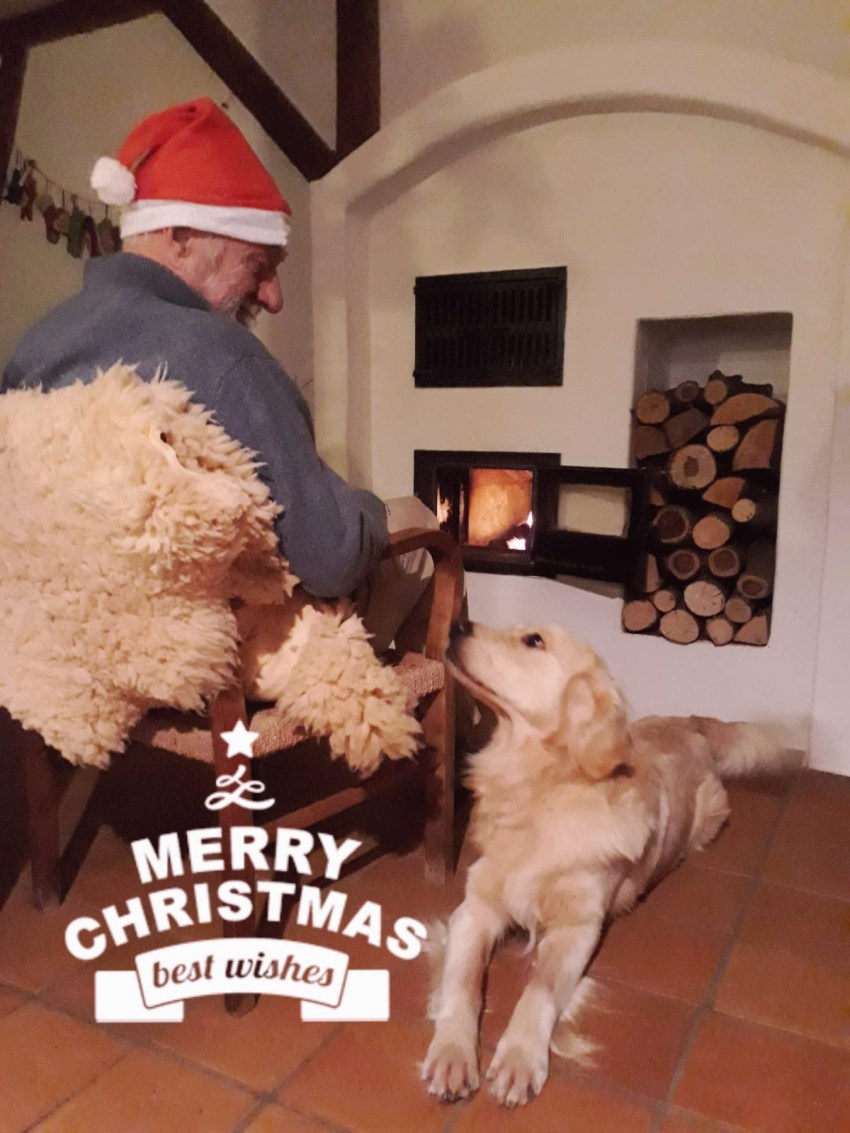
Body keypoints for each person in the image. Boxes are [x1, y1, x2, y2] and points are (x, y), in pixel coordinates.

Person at [1, 97, 390, 603]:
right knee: (414, 535)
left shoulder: (36, 345)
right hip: (200, 645)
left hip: (51, 632)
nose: (274, 298)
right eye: (258, 265)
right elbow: (332, 557)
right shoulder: (224, 358)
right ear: (181, 236)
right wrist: (376, 508)